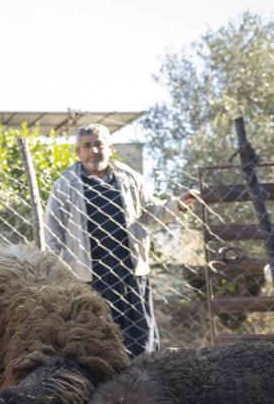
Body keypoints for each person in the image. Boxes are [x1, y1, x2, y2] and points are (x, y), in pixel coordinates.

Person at [43, 123, 197, 357]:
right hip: (88, 277)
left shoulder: (130, 179)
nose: (94, 151)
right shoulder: (64, 186)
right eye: (87, 146)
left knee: (140, 339)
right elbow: (52, 232)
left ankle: (143, 381)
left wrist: (177, 205)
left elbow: (150, 212)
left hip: (130, 273)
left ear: (110, 147)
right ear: (78, 152)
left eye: (99, 144)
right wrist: (56, 272)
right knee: (94, 338)